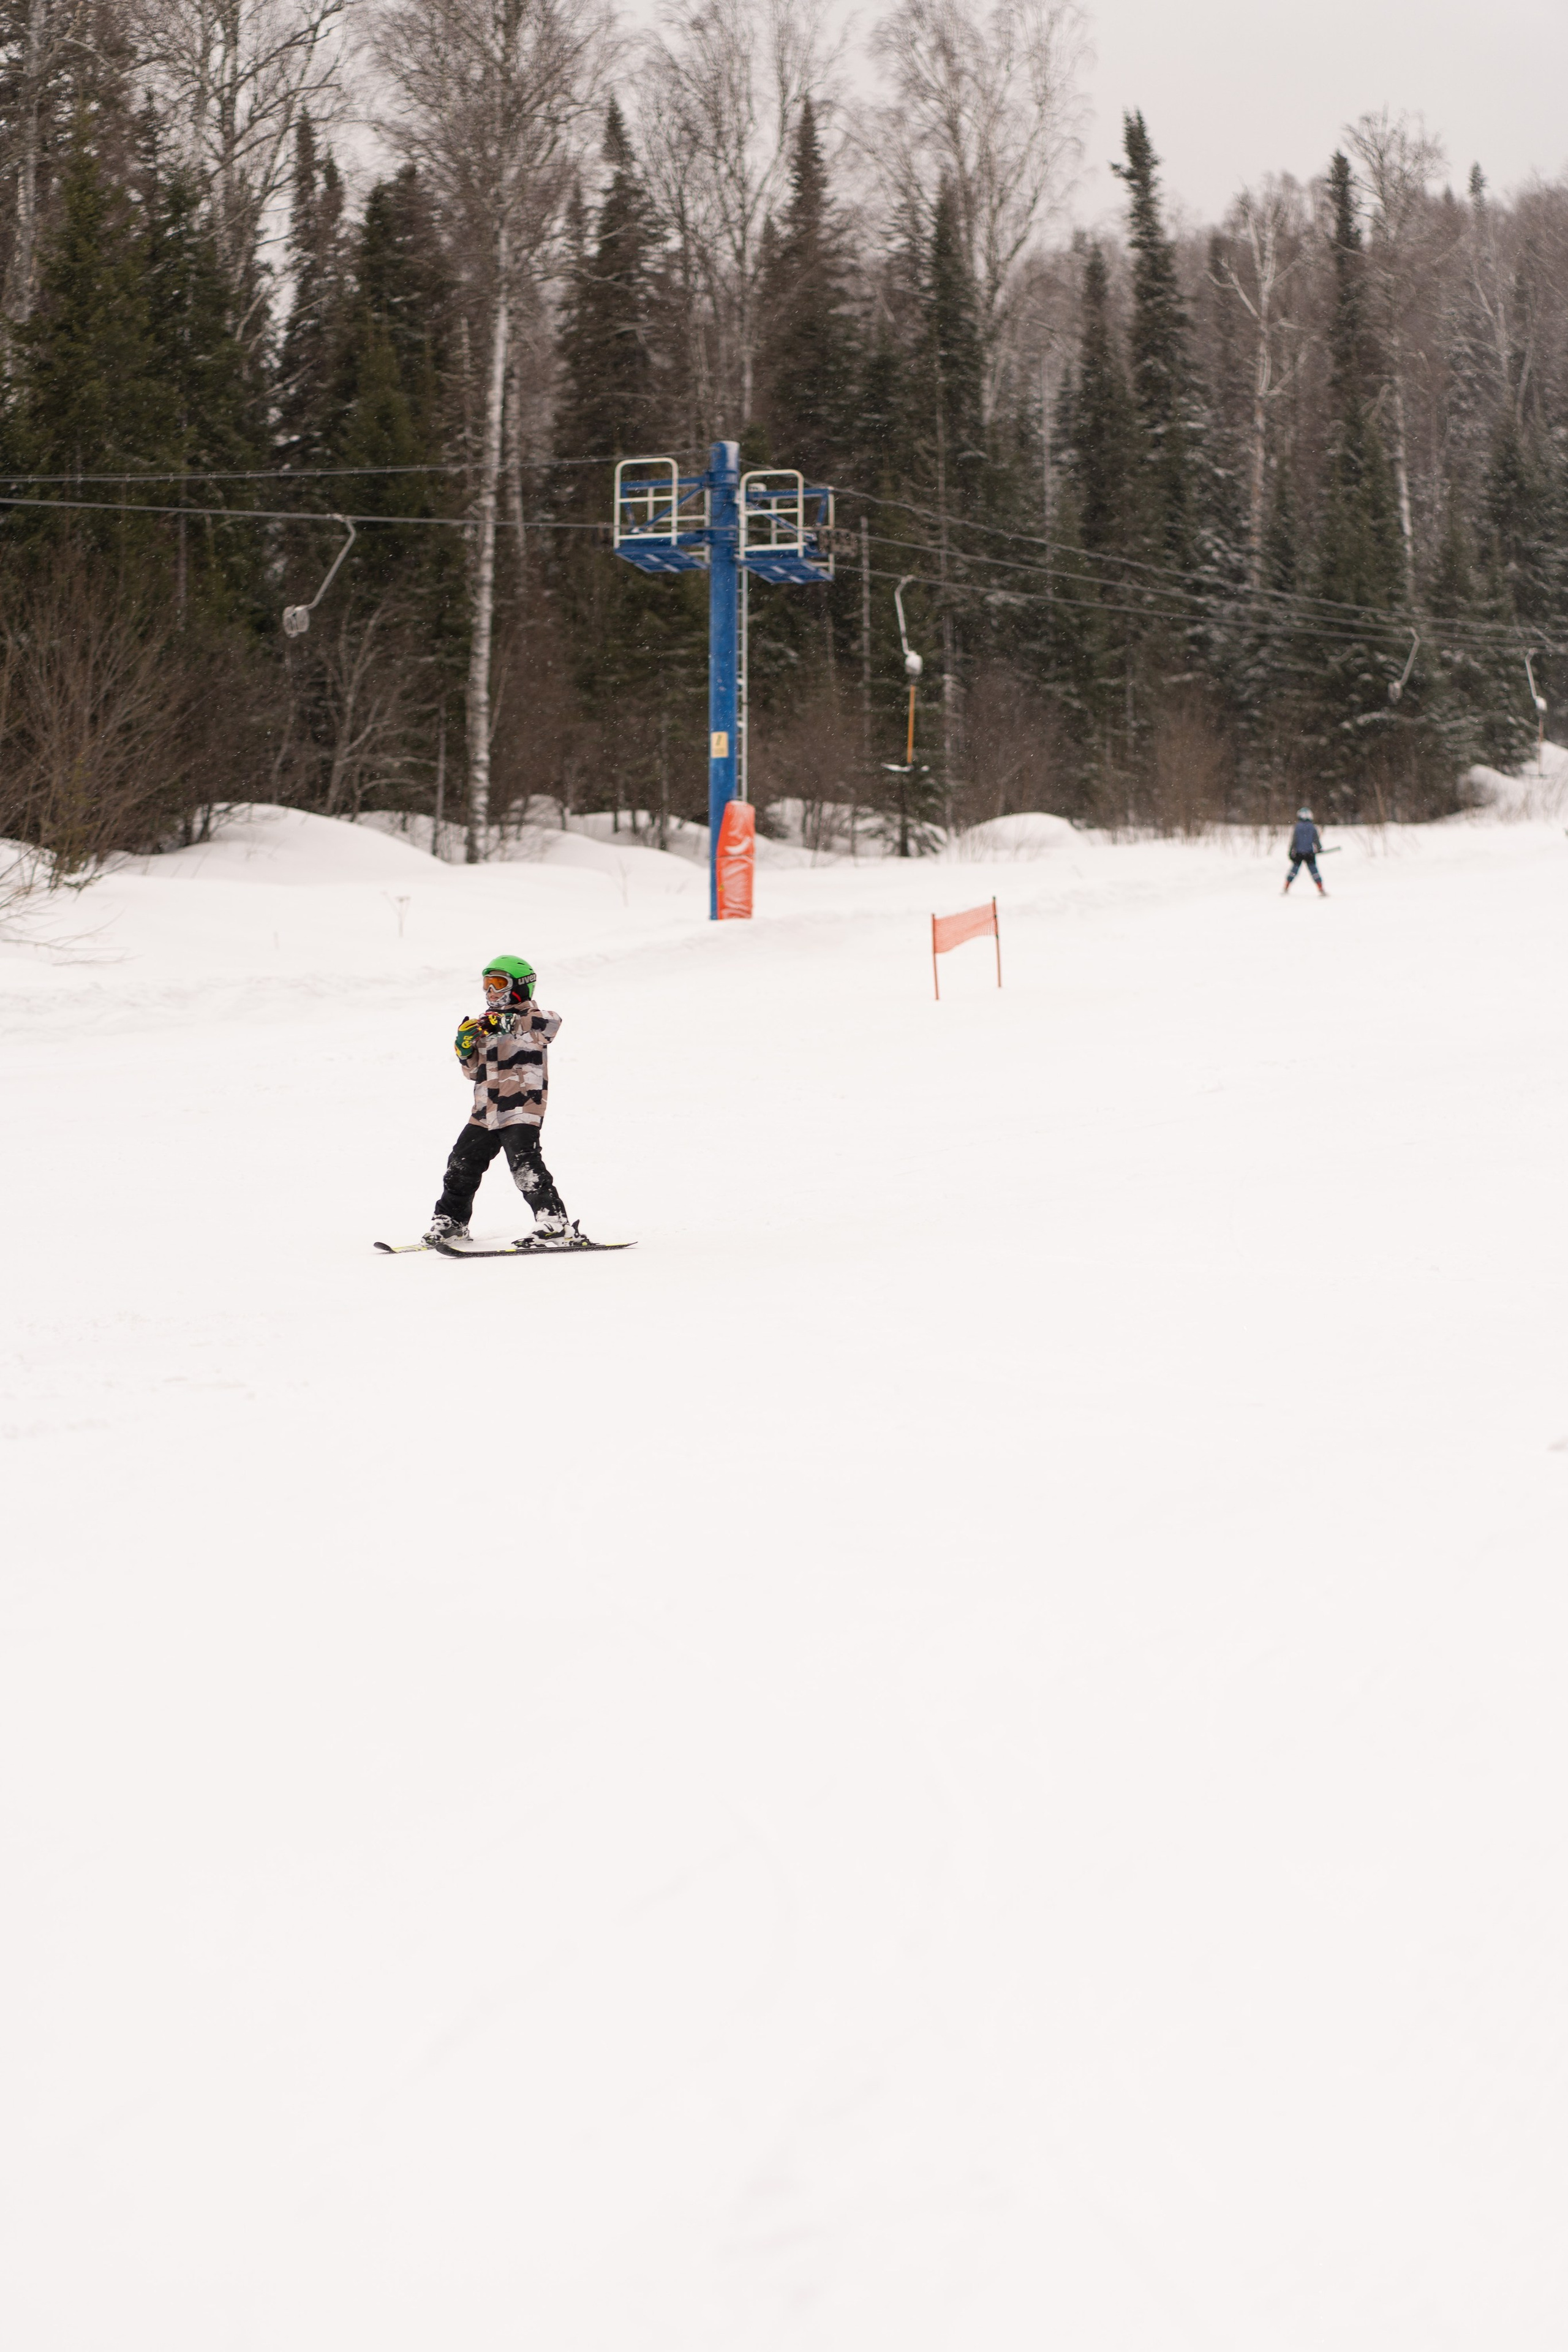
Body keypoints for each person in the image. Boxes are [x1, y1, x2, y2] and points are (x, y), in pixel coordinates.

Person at [424, 954, 581, 1248]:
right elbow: (473, 1072)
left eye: (499, 984)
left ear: (521, 987)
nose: (491, 992)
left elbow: (550, 1025)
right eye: (487, 985)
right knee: (461, 1164)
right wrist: (464, 1047)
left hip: (521, 1106)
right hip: (485, 1111)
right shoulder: (485, 1026)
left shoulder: (535, 1020)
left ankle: (555, 1224)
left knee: (525, 1165)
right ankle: (452, 1223)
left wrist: (507, 1021)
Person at [1284, 808, 1327, 895]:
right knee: (1314, 871)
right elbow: (1316, 840)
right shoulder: (1312, 827)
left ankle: (1286, 887)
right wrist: (1319, 848)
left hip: (1299, 853)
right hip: (1309, 854)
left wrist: (1291, 851)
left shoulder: (1297, 827)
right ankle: (1321, 889)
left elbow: (1294, 841)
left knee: (1294, 871)